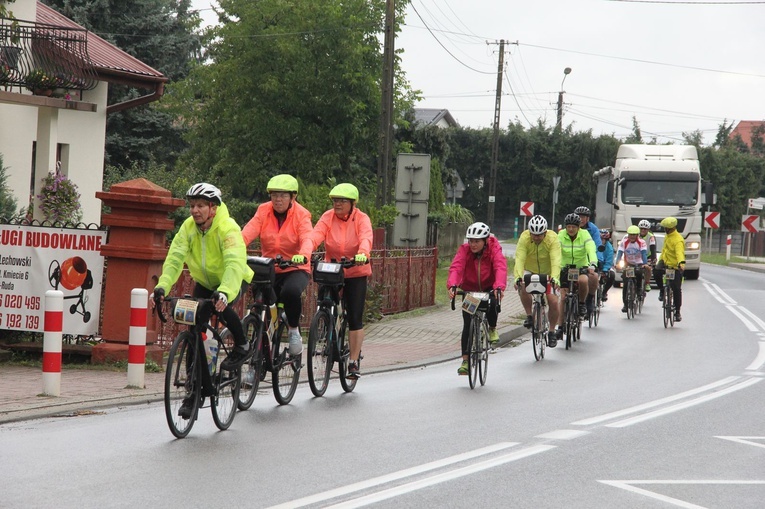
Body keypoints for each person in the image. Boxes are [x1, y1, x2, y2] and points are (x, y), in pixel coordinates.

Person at [152, 183, 254, 419]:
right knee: (194, 332)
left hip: (233, 279)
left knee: (222, 308)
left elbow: (234, 263)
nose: (195, 210)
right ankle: (193, 391)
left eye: (200, 206)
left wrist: (226, 292)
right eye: (192, 206)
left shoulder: (228, 228)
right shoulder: (188, 228)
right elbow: (175, 258)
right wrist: (162, 286)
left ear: (213, 208)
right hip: (206, 282)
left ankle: (242, 344)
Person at [241, 174, 314, 356]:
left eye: (283, 195)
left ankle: (293, 330)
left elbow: (308, 238)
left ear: (293, 197)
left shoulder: (301, 214)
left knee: (290, 292)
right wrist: (235, 248)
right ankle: (259, 353)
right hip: (269, 267)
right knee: (261, 304)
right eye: (274, 195)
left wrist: (303, 255)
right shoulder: (263, 211)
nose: (278, 200)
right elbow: (248, 232)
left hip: (294, 267)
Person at [310, 183, 373, 379]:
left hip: (355, 270)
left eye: (342, 201)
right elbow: (315, 235)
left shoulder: (361, 219)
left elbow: (366, 238)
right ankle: (326, 322)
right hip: (333, 269)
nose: (337, 204)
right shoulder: (328, 217)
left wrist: (363, 253)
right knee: (324, 303)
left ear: (353, 203)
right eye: (335, 200)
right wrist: (306, 251)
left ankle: (353, 361)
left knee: (354, 317)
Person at [447, 222, 507, 375]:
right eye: (470, 241)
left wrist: (499, 287)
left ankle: (492, 328)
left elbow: (500, 267)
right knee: (467, 323)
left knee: (493, 302)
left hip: (489, 288)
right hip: (471, 291)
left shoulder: (494, 248)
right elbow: (456, 267)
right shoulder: (465, 250)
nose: (472, 244)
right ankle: (466, 361)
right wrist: (453, 285)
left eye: (476, 241)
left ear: (486, 240)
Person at [513, 215, 562, 348]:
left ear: (545, 233)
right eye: (533, 234)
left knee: (552, 300)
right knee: (522, 285)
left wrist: (555, 278)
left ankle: (551, 331)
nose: (536, 237)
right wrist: (518, 276)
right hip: (530, 270)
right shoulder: (524, 238)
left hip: (548, 272)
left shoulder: (552, 239)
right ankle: (529, 315)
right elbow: (519, 258)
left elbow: (556, 260)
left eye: (539, 235)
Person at [557, 213, 598, 327]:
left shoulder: (585, 234)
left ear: (579, 227)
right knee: (563, 297)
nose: (571, 229)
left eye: (574, 227)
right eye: (568, 227)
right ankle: (560, 327)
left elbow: (591, 249)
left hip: (581, 267)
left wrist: (593, 263)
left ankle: (581, 304)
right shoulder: (560, 235)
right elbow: (555, 251)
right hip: (565, 268)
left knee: (583, 281)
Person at [653, 216, 685, 322]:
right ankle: (662, 291)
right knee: (656, 271)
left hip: (675, 265)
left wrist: (681, 263)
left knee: (676, 289)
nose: (664, 229)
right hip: (665, 260)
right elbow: (664, 250)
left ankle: (677, 312)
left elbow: (679, 253)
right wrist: (659, 262)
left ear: (670, 228)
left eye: (665, 228)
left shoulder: (678, 240)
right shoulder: (667, 236)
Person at [615, 225, 647, 313]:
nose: (632, 237)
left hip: (638, 263)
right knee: (625, 283)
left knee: (639, 273)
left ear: (637, 235)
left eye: (634, 235)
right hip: (628, 263)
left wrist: (644, 264)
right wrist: (617, 263)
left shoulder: (642, 242)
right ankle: (625, 304)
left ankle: (639, 289)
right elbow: (620, 253)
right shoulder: (624, 242)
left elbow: (644, 254)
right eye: (630, 235)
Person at [638, 219, 656, 292]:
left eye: (645, 229)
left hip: (647, 255)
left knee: (648, 268)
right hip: (637, 256)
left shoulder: (651, 237)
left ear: (648, 229)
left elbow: (653, 248)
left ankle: (647, 283)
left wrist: (653, 258)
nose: (643, 230)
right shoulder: (636, 235)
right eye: (641, 228)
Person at [599, 228, 615, 301]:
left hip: (605, 267)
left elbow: (609, 260)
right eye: (600, 239)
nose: (602, 241)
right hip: (595, 266)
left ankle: (604, 292)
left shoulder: (609, 247)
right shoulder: (593, 244)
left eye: (603, 240)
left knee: (612, 275)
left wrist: (605, 269)